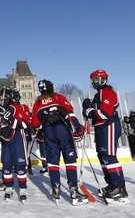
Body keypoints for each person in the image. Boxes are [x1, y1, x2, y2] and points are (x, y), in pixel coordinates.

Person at [31, 79, 88, 206]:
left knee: (52, 163)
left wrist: (40, 130)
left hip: (49, 134)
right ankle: (73, 190)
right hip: (63, 131)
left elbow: (35, 123)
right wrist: (77, 126)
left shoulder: (38, 102)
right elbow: (70, 113)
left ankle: (55, 188)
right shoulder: (59, 97)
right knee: (70, 161)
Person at [82, 69, 129, 204]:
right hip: (101, 128)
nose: (95, 82)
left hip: (109, 126)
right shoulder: (99, 94)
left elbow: (104, 114)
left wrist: (89, 110)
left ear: (104, 79)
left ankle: (120, 189)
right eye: (93, 79)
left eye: (98, 79)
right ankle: (112, 184)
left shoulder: (107, 92)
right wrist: (87, 107)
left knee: (108, 156)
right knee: (102, 156)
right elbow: (93, 113)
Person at [0, 87, 29, 202]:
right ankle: (8, 186)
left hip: (17, 139)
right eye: (0, 97)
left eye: (3, 96)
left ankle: (22, 188)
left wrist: (10, 118)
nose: (1, 99)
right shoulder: (0, 109)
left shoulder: (17, 107)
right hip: (6, 141)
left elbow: (24, 124)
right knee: (6, 165)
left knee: (20, 165)